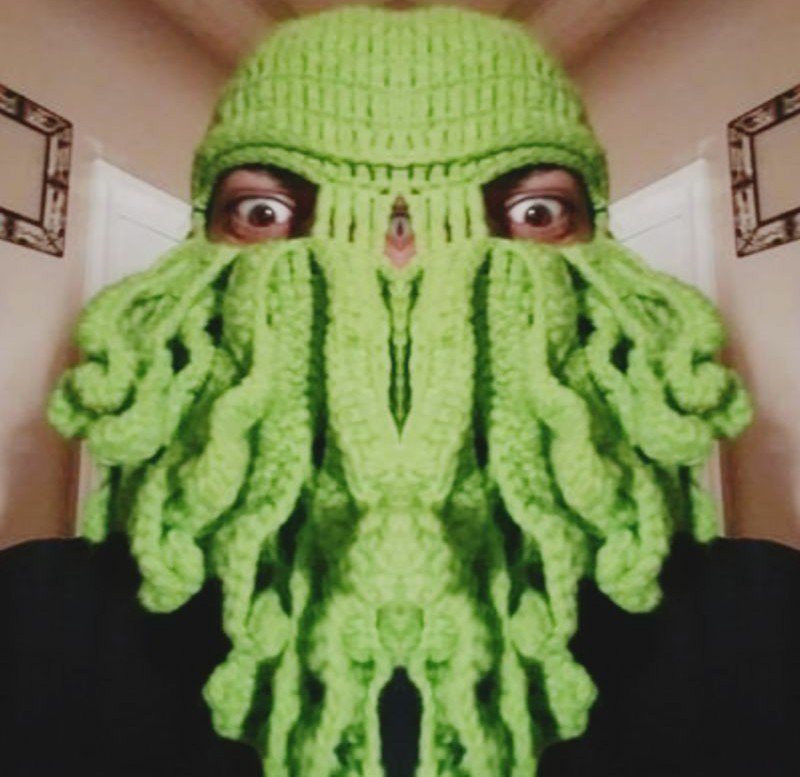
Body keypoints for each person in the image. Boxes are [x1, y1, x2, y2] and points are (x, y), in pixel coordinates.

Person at [2, 6, 798, 777]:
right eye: (266, 211)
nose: (399, 260)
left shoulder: (764, 623)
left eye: (533, 210)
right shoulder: (34, 623)